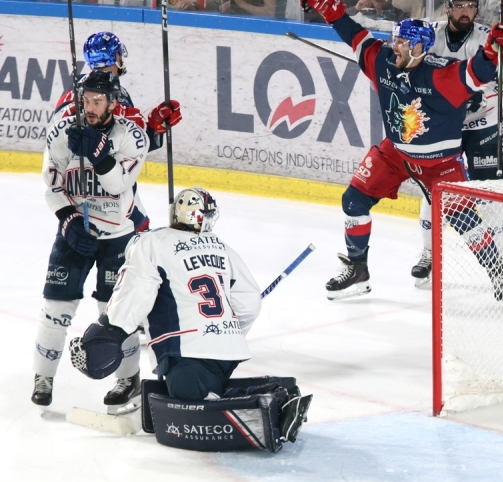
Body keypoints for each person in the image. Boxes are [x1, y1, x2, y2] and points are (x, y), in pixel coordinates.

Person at [300, 0, 503, 302]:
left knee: (466, 222)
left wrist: (494, 50)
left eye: (401, 42)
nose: (394, 46)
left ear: (419, 49)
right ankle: (358, 270)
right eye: (395, 39)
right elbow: (355, 35)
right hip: (396, 153)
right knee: (353, 200)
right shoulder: (383, 61)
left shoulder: (441, 76)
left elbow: (478, 70)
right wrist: (330, 10)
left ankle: (497, 270)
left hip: (439, 164)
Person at [68, 188, 312, 451]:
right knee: (194, 392)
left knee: (195, 405)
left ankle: (274, 410)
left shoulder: (152, 242)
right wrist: (224, 331)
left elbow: (134, 293)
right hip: (227, 351)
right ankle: (278, 391)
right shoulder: (222, 248)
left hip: (185, 352)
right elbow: (249, 303)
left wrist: (107, 333)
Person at [32, 70, 149, 409]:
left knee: (114, 313)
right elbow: (51, 184)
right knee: (56, 307)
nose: (90, 106)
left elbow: (117, 185)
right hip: (75, 231)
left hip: (117, 236)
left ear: (113, 102)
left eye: (98, 100)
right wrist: (68, 220)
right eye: (85, 100)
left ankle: (128, 378)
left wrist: (99, 155)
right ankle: (44, 375)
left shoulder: (131, 137)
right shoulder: (62, 130)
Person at [410, 0, 503, 287]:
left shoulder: (486, 38)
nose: (465, 11)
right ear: (447, 7)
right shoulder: (430, 35)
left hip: (484, 125)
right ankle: (429, 253)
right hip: (445, 127)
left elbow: (493, 77)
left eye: (471, 5)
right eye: (459, 5)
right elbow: (408, 61)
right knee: (434, 189)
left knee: (491, 193)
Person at [53, 32, 183, 234]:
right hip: (91, 191)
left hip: (104, 185)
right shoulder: (84, 92)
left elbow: (126, 145)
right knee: (134, 243)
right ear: (116, 58)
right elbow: (72, 141)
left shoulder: (105, 91)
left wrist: (153, 129)